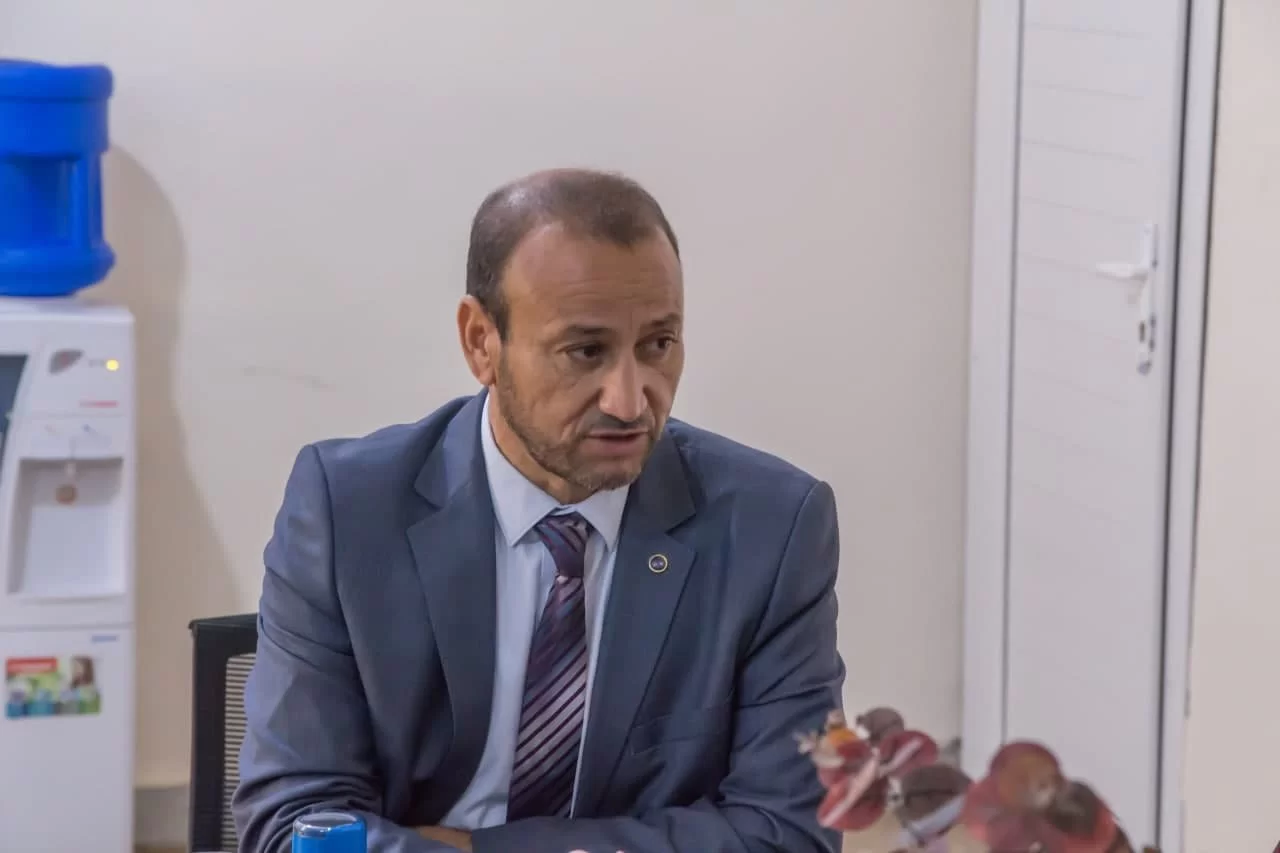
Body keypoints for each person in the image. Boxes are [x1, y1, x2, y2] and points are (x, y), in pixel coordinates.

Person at [233, 168, 846, 853]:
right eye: (585, 351)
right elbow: (298, 823)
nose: (629, 400)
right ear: (480, 341)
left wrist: (483, 850)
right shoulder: (348, 512)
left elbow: (789, 832)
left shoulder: (772, 528)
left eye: (658, 345)